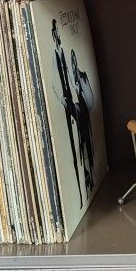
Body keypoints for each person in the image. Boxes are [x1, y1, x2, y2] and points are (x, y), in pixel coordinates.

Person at [51, 19, 82, 208]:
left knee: (82, 140)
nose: (58, 36)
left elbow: (71, 76)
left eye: (59, 33)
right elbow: (54, 83)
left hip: (74, 101)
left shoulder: (63, 52)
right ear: (53, 34)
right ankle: (76, 192)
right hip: (66, 103)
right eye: (55, 33)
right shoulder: (53, 55)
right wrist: (62, 100)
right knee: (72, 145)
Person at [71, 49, 96, 195]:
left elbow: (91, 101)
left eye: (74, 60)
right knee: (81, 149)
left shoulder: (82, 76)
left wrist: (80, 87)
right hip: (77, 120)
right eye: (71, 61)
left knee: (88, 149)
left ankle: (91, 177)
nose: (73, 64)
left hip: (85, 118)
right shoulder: (68, 79)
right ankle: (86, 178)